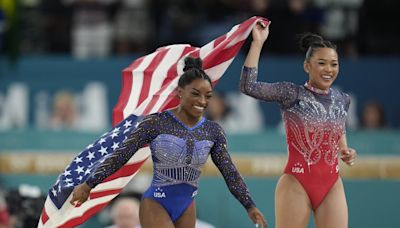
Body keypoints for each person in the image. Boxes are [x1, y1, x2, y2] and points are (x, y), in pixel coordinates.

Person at [70, 56, 267, 228]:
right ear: (180, 92)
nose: (202, 102)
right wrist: (89, 184)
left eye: (208, 96)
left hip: (187, 205)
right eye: (195, 94)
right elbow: (121, 155)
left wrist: (249, 205)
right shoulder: (156, 123)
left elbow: (229, 171)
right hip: (157, 202)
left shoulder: (212, 130)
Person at [240, 21, 357, 228]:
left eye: (334, 63)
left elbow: (338, 127)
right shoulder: (291, 94)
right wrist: (257, 43)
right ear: (307, 66)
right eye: (321, 63)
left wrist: (345, 149)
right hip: (297, 181)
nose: (329, 69)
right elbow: (248, 86)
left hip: (332, 183)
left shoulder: (342, 99)